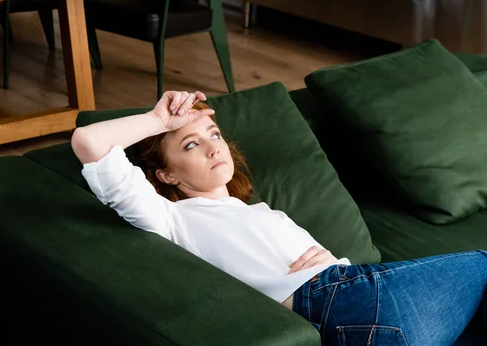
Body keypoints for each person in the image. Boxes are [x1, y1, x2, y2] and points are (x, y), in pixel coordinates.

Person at [71, 90, 487, 345]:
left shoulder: (254, 212)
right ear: (166, 174)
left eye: (213, 135)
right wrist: (160, 121)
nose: (214, 147)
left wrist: (328, 262)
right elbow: (89, 141)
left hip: (352, 306)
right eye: (191, 145)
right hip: (344, 304)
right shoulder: (169, 217)